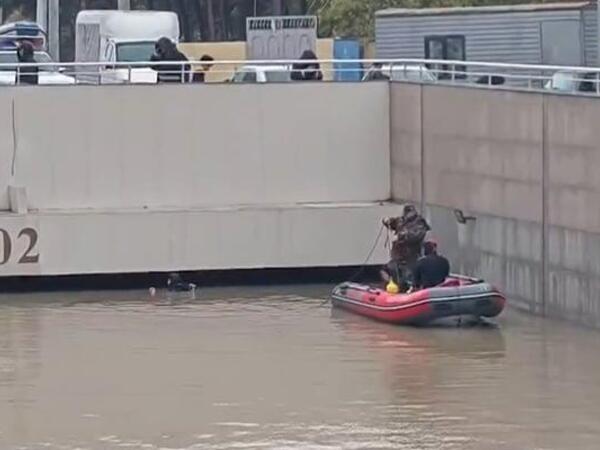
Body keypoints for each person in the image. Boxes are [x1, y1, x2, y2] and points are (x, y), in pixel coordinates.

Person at [380, 204, 431, 290]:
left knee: (408, 273)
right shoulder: (401, 220)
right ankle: (393, 286)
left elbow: (417, 235)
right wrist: (387, 221)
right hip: (398, 253)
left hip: (411, 254)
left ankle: (410, 288)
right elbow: (393, 223)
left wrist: (405, 235)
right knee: (388, 270)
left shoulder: (419, 223)